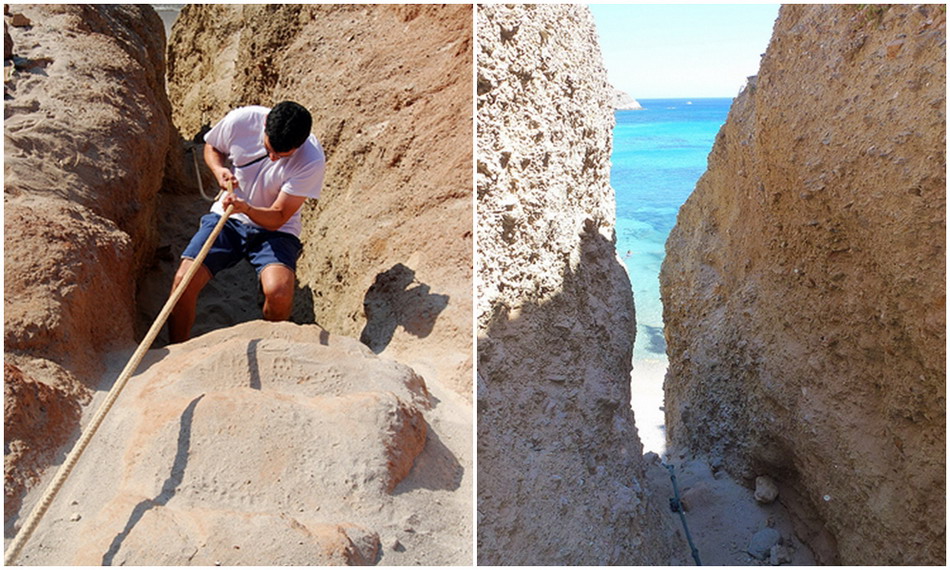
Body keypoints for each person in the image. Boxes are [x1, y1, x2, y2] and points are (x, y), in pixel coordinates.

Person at [168, 101, 326, 343]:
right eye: (269, 149)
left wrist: (248, 209)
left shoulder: (311, 159)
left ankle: (272, 345)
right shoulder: (242, 120)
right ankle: (177, 349)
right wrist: (218, 170)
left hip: (276, 230)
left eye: (282, 156)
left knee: (279, 293)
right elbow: (213, 146)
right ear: (265, 124)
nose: (273, 158)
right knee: (183, 282)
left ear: (301, 144)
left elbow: (278, 216)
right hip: (229, 217)